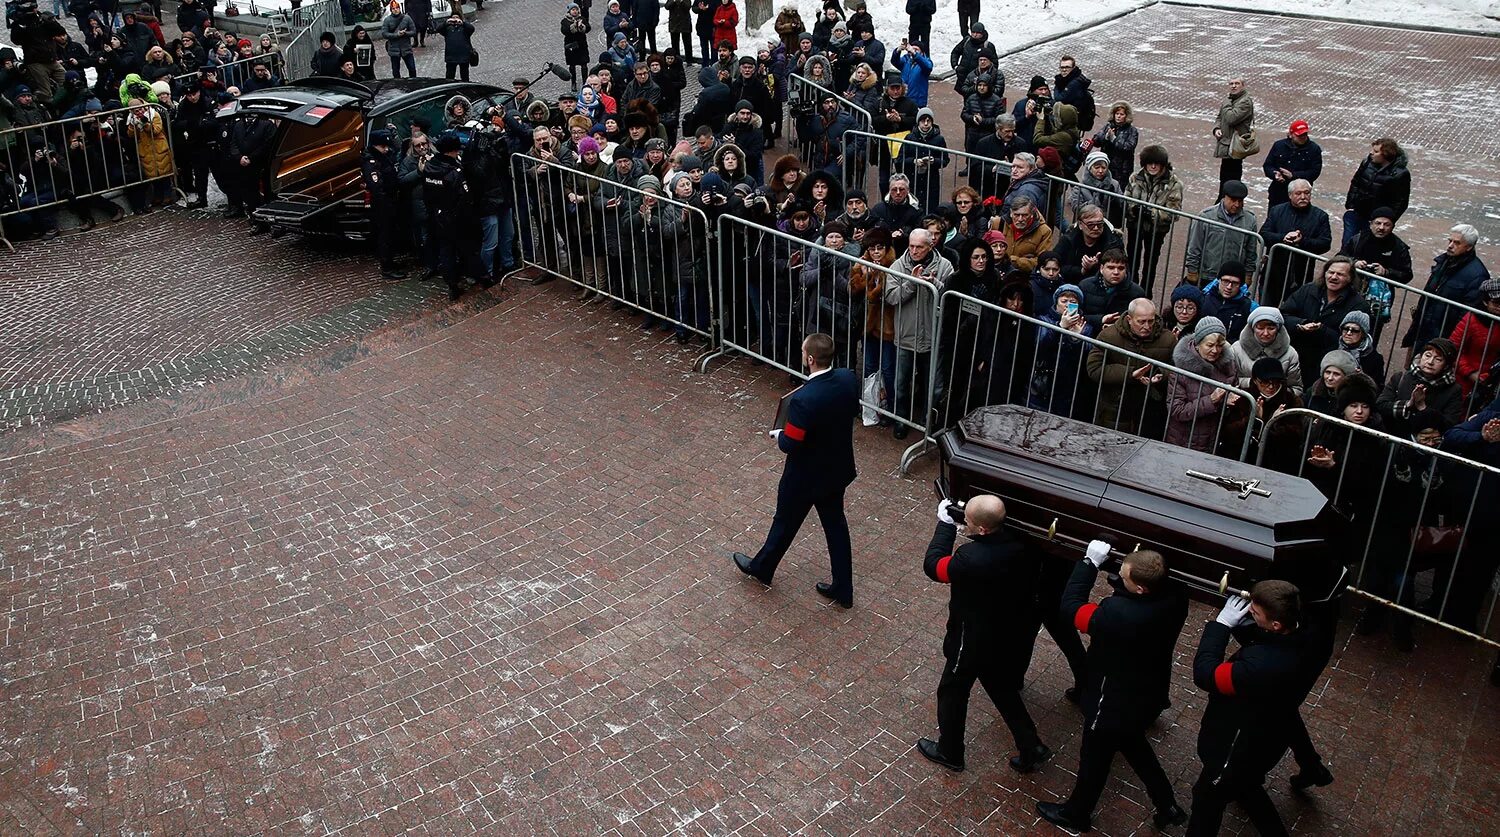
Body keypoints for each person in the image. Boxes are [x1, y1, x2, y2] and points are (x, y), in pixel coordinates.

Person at [1036, 543, 1189, 833]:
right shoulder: (1176, 597)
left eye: (1125, 576)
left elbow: (1071, 608)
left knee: (1095, 758)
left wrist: (1088, 564)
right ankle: (1166, 804)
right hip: (1146, 692)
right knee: (1133, 744)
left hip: (1111, 698)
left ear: (1141, 588)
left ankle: (1077, 813)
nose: (1120, 577)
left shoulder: (1118, 612)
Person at [917, 494, 1052, 775]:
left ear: (982, 529)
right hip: (1003, 632)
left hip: (970, 637)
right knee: (1002, 689)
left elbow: (935, 567)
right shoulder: (1023, 545)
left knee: (952, 691)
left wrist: (944, 527)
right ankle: (1031, 746)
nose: (964, 523)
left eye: (968, 521)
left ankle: (950, 751)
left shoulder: (971, 558)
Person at [732, 333, 860, 607]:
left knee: (785, 522)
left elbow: (790, 443)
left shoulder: (805, 399)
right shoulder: (848, 378)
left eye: (804, 353)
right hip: (836, 470)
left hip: (804, 476)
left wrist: (778, 433)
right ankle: (843, 588)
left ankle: (763, 567)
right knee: (836, 528)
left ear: (810, 359)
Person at [1186, 581, 1306, 837]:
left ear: (1275, 625)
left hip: (1236, 748)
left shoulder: (1258, 667)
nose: (1250, 610)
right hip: (1264, 742)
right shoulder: (1298, 636)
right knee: (1247, 787)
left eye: (1256, 612)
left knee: (1207, 801)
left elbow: (1206, 674)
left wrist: (1221, 626)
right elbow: (1263, 641)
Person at [886, 228, 953, 438]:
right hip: (906, 334)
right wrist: (912, 284)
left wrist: (935, 284)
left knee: (932, 385)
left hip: (933, 336)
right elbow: (891, 297)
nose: (914, 251)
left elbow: (951, 296)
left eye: (920, 247)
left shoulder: (944, 266)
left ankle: (927, 422)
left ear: (931, 246)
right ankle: (901, 420)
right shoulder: (898, 265)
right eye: (911, 246)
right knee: (901, 383)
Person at [1086, 297, 1175, 437]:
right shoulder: (1109, 336)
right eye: (1141, 322)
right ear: (1129, 319)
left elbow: (1176, 370)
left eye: (1151, 321)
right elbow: (1094, 368)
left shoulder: (1168, 339)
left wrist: (1161, 375)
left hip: (1150, 408)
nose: (1147, 326)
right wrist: (1130, 374)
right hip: (1115, 406)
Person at [1405, 225, 1491, 357]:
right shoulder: (1444, 262)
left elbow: (1467, 315)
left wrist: (1451, 342)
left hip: (1444, 337)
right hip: (1425, 328)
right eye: (1450, 240)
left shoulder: (1477, 275)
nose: (1450, 245)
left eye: (1457, 243)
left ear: (1469, 247)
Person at [1279, 256, 1369, 378]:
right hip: (1295, 353)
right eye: (1331, 272)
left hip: (1326, 364)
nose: (1334, 277)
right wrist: (1302, 323)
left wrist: (1322, 330)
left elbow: (1353, 338)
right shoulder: (1308, 290)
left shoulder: (1358, 305)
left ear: (1350, 278)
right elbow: (1283, 315)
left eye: (1340, 274)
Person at [1166, 317, 1242, 453]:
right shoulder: (1180, 370)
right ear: (1197, 344)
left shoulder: (1228, 366)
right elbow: (1177, 410)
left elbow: (1232, 394)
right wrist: (1211, 400)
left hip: (1213, 439)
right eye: (1210, 345)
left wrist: (1228, 401)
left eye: (1219, 345)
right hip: (1183, 441)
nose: (1215, 350)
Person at [1258, 178, 1332, 306]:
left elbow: (1325, 244)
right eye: (1298, 193)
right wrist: (1282, 238)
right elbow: (1264, 234)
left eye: (1307, 193)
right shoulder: (1277, 211)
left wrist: (1302, 242)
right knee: (1267, 308)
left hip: (1301, 273)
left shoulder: (1320, 216)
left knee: (1294, 310)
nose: (1303, 197)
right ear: (1290, 195)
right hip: (1274, 272)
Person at [1124, 144, 1184, 291]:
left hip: (1156, 229)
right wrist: (1133, 209)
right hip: (1135, 225)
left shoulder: (1174, 183)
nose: (1152, 166)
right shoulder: (1135, 177)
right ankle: (1131, 289)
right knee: (1132, 259)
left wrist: (1151, 213)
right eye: (1149, 163)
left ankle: (1146, 291)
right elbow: (1126, 198)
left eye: (1156, 163)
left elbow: (1173, 212)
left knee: (1150, 263)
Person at [1377, 337, 1464, 438]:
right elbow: (1380, 406)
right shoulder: (1400, 378)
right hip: (1392, 438)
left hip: (1424, 445)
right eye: (1427, 355)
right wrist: (1407, 405)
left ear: (1446, 366)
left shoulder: (1453, 390)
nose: (1430, 362)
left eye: (1438, 359)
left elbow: (1449, 425)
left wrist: (1423, 408)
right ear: (1420, 356)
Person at [422, 131, 471, 300]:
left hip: (437, 215)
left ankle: (452, 284)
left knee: (446, 251)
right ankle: (482, 278)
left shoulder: (430, 167)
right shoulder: (453, 171)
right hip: (455, 217)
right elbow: (464, 196)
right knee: (465, 249)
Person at [1183, 180, 1258, 288]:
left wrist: (1248, 274)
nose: (1237, 204)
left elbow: (1251, 252)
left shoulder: (1250, 220)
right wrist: (1192, 271)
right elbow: (1194, 246)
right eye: (1233, 200)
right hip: (1207, 275)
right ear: (1224, 197)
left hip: (1233, 278)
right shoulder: (1206, 216)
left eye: (1240, 201)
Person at [1343, 137, 1410, 247]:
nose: (1371, 153)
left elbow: (1401, 201)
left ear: (1386, 154)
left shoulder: (1400, 174)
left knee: (1367, 247)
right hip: (1357, 212)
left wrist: (1387, 219)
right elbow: (1356, 182)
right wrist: (1350, 204)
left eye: (1376, 151)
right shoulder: (1367, 162)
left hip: (1376, 220)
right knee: (1348, 244)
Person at [361, 129, 407, 280]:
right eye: (383, 146)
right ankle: (386, 267)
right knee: (385, 235)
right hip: (383, 203)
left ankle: (391, 261)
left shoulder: (385, 155)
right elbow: (376, 186)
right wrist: (387, 202)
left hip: (392, 199)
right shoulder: (371, 161)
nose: (386, 149)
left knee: (392, 233)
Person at [1229, 306, 1304, 395]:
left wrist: (1278, 392)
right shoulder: (1236, 349)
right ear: (1252, 328)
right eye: (1260, 328)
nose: (1265, 333)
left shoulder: (1290, 354)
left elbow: (1296, 388)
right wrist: (1254, 384)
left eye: (1271, 328)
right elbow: (1229, 381)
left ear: (1278, 329)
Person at [1448, 279, 1500, 402]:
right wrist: (1471, 373)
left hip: (1491, 379)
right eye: (1496, 302)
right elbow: (1452, 349)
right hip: (1464, 378)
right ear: (1485, 302)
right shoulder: (1471, 319)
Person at [1078, 248, 1147, 332]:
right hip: (1087, 334)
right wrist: (1101, 319)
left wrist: (1117, 327)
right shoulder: (1085, 286)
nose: (1116, 272)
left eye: (1121, 268)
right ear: (1101, 268)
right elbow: (1077, 315)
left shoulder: (1137, 293)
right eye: (1111, 268)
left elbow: (1140, 322)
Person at [1261, 119, 1322, 208]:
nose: (1303, 137)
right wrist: (1275, 174)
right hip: (1278, 193)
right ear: (1291, 135)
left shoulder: (1313, 149)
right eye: (1299, 135)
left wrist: (1293, 175)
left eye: (1305, 134)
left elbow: (1314, 172)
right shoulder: (1279, 145)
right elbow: (1268, 165)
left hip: (1300, 197)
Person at [1211, 77, 1254, 192]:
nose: (1233, 86)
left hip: (1235, 147)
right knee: (1224, 177)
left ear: (1243, 85)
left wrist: (1226, 103)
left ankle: (1229, 199)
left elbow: (1231, 118)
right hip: (1226, 145)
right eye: (1231, 83)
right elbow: (1220, 117)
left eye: (1237, 83)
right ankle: (1223, 199)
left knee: (1232, 177)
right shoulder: (1230, 100)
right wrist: (1216, 128)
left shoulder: (1244, 102)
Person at [1199, 259, 1255, 339]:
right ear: (1218, 280)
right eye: (1225, 281)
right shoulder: (1203, 298)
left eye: (1235, 283)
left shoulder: (1250, 307)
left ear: (1241, 285)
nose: (1229, 287)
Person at [1091, 101, 1137, 187]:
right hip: (1106, 166)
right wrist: (1105, 137)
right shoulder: (1108, 126)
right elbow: (1095, 140)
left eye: (1121, 114)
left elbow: (1129, 147)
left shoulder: (1132, 131)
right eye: (1117, 114)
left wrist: (1114, 140)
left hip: (1122, 170)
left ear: (1126, 116)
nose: (1119, 116)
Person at [1337, 310, 1386, 384]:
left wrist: (1363, 378)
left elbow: (1377, 387)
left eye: (1355, 330)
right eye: (1346, 329)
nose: (1349, 333)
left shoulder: (1374, 359)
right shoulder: (1332, 347)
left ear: (1363, 334)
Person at [1306, 350, 1357, 416]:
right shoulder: (1313, 392)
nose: (1330, 378)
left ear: (1346, 377)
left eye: (1336, 374)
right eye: (1327, 372)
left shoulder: (1353, 396)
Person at [382, 2, 417, 79]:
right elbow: (384, 33)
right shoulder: (387, 20)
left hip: (406, 48)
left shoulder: (407, 18)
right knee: (395, 71)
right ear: (391, 10)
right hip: (394, 49)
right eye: (393, 9)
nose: (395, 10)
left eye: (397, 8)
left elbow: (414, 31)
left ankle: (414, 82)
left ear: (399, 8)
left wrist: (405, 33)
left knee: (412, 69)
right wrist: (396, 35)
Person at [561, 4, 592, 90]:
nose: (575, 11)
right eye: (573, 10)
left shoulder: (582, 19)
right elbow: (564, 31)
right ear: (569, 11)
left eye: (576, 9)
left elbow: (588, 28)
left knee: (584, 64)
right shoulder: (565, 21)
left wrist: (582, 26)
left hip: (581, 45)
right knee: (572, 65)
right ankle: (573, 82)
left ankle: (585, 81)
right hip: (571, 46)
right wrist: (574, 26)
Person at [437, 14, 474, 81]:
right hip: (451, 57)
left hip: (464, 56)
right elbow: (438, 29)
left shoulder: (465, 29)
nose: (455, 20)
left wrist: (463, 23)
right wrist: (446, 22)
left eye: (457, 18)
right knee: (449, 77)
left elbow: (472, 28)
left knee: (465, 76)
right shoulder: (447, 29)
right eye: (453, 18)